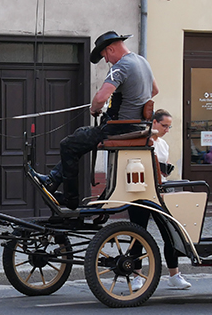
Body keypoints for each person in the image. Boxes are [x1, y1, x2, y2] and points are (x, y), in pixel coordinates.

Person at [34, 31, 159, 209]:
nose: (107, 61)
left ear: (111, 49)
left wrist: (95, 108)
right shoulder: (142, 62)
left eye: (105, 56)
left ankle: (70, 198)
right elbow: (155, 90)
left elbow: (100, 98)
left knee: (68, 144)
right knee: (79, 136)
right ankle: (53, 180)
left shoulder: (121, 66)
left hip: (120, 128)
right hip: (136, 125)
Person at [134, 109, 191, 290]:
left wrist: (164, 170)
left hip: (160, 190)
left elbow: (161, 169)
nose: (167, 129)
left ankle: (174, 274)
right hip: (141, 191)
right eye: (164, 125)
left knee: (169, 232)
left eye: (169, 126)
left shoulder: (164, 144)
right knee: (138, 234)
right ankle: (137, 276)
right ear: (154, 123)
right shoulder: (142, 140)